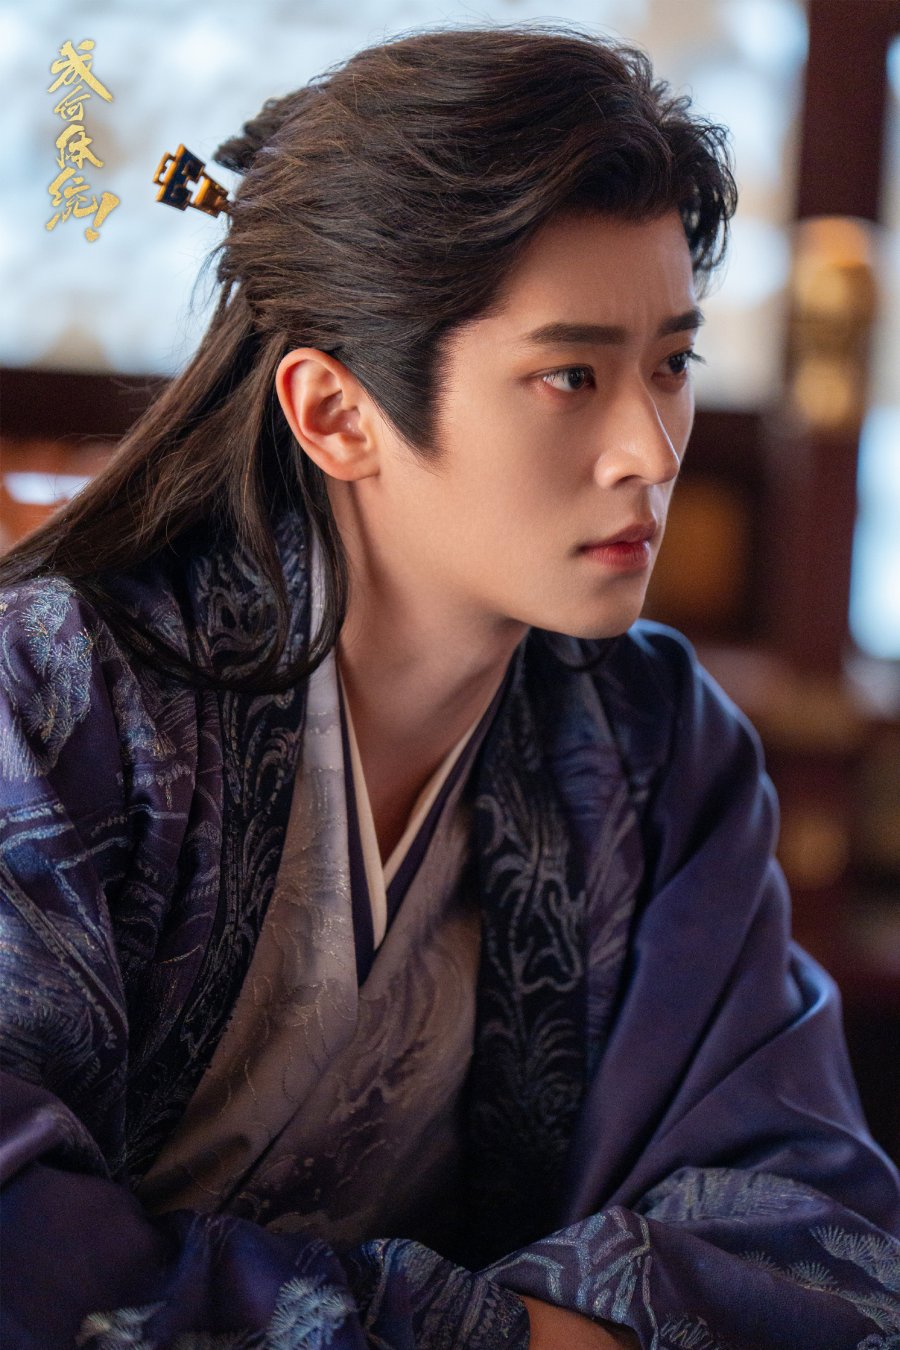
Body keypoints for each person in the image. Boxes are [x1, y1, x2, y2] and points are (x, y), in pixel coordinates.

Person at [1, 22, 898, 1350]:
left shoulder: (653, 745)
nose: (651, 450)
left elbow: (810, 1227)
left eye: (671, 363)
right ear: (336, 412)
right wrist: (512, 1332)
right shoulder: (55, 699)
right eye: (570, 375)